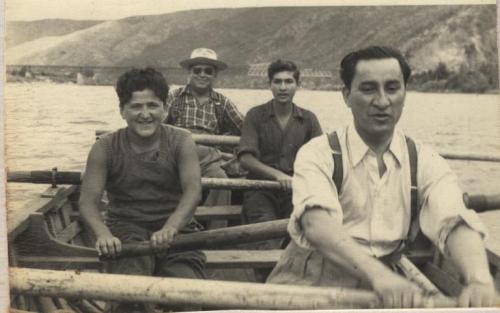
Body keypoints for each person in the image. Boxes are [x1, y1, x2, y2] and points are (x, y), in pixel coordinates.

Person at [267, 46, 496, 308]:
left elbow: (453, 218)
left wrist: (479, 280)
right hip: (311, 275)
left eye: (392, 88)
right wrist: (378, 276)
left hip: (389, 279)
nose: (382, 101)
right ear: (346, 96)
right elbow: (316, 224)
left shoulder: (425, 159)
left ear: (404, 94)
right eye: (368, 89)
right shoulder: (318, 153)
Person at [79, 68, 205, 312]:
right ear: (122, 111)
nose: (145, 114)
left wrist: (170, 228)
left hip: (178, 231)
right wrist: (103, 234)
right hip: (126, 234)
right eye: (136, 107)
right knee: (129, 296)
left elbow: (193, 192)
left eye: (153, 105)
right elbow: (87, 203)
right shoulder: (104, 148)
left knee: (187, 295)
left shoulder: (181, 140)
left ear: (165, 108)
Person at [165, 48, 244, 206]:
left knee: (221, 181)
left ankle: (217, 228)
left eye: (208, 71)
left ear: (215, 75)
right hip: (177, 155)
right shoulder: (174, 96)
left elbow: (245, 128)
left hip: (209, 159)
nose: (202, 75)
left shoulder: (222, 102)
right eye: (197, 70)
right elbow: (158, 125)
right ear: (189, 72)